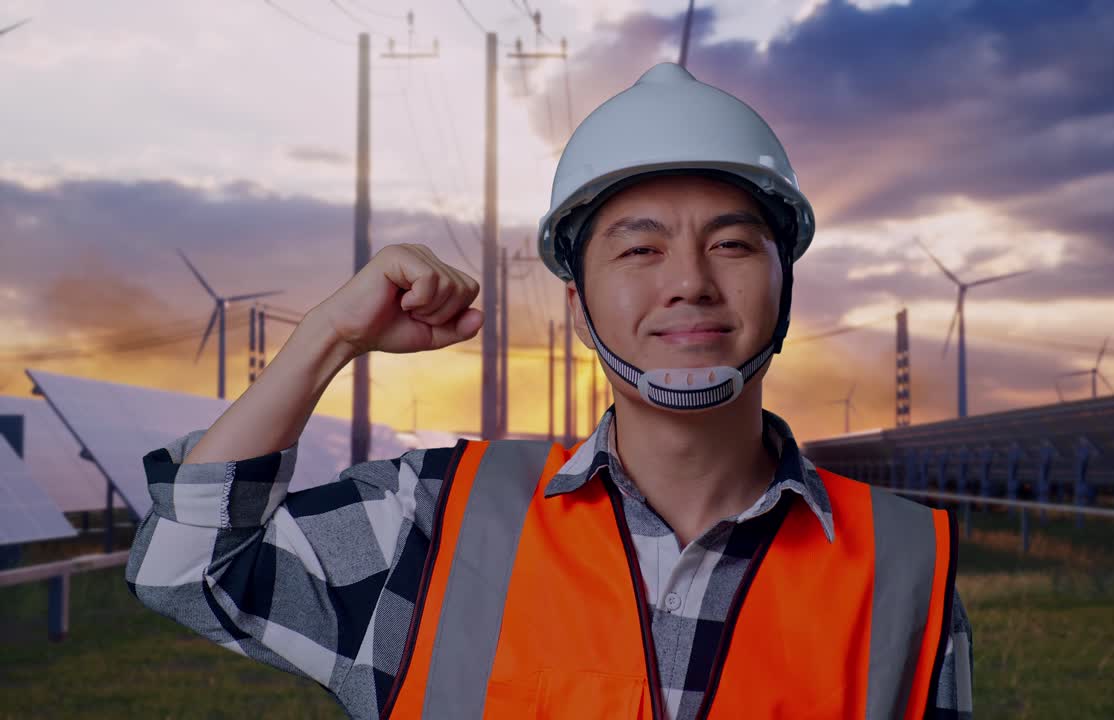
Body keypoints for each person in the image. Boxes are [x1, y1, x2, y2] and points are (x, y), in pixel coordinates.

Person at [127, 62, 972, 719]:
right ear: (578, 303)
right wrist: (329, 338)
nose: (688, 283)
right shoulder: (428, 524)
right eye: (639, 250)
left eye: (733, 246)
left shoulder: (905, 567)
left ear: (786, 285)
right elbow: (185, 565)